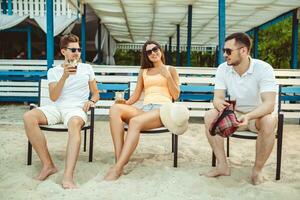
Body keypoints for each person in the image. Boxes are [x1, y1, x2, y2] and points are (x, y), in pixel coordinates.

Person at [23, 34, 99, 189]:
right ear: (64, 51)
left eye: (79, 49)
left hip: (76, 109)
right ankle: (48, 165)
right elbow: (53, 96)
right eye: (73, 49)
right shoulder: (54, 71)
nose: (77, 52)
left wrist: (91, 101)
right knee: (28, 117)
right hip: (57, 108)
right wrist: (64, 76)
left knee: (74, 124)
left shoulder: (87, 68)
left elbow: (96, 93)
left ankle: (68, 176)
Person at [204, 32, 277, 185]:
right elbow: (217, 98)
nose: (224, 54)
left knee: (269, 121)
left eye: (228, 51)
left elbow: (269, 104)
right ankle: (223, 166)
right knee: (210, 115)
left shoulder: (263, 68)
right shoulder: (223, 69)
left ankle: (257, 171)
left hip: (257, 116)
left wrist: (249, 116)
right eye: (224, 51)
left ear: (243, 51)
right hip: (234, 114)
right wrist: (219, 105)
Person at [104, 40, 180, 181]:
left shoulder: (171, 69)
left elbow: (176, 95)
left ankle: (117, 169)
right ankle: (119, 161)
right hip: (146, 110)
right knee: (115, 109)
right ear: (146, 56)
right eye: (149, 52)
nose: (153, 53)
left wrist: (168, 76)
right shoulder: (143, 72)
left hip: (163, 110)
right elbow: (136, 95)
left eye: (155, 49)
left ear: (160, 50)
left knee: (135, 122)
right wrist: (125, 103)